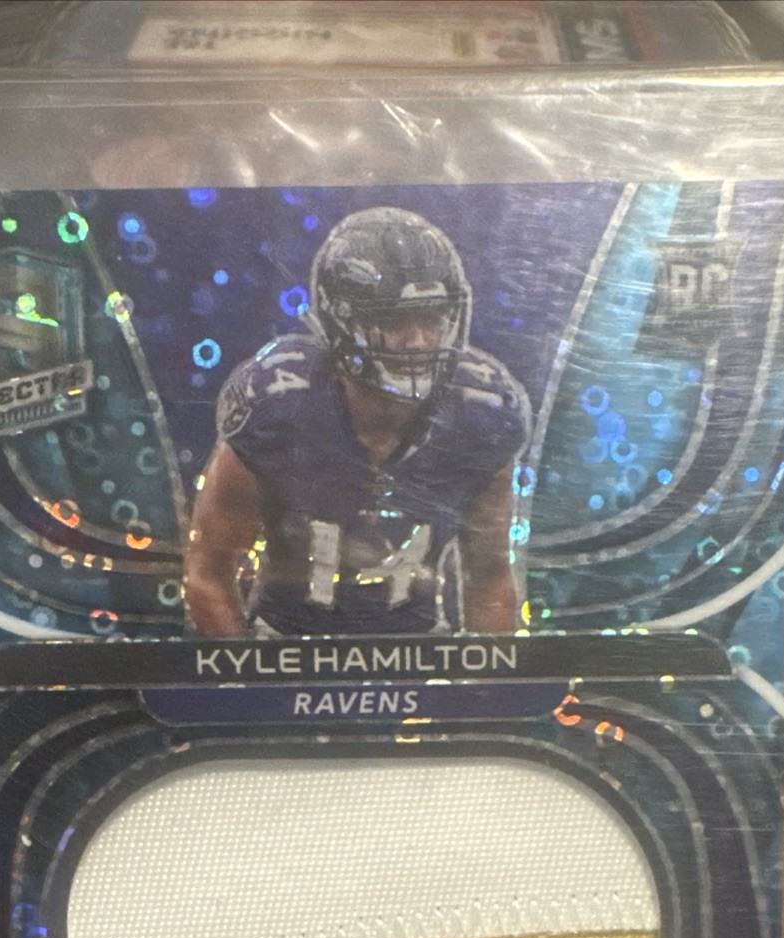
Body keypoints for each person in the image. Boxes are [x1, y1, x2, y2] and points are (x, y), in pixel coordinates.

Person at [184, 206, 531, 637]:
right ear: (341, 319)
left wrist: (482, 677)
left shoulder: (481, 412)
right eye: (393, 319)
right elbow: (208, 573)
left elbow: (489, 577)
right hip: (285, 647)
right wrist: (249, 673)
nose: (418, 341)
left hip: (418, 653)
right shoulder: (277, 405)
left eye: (432, 316)